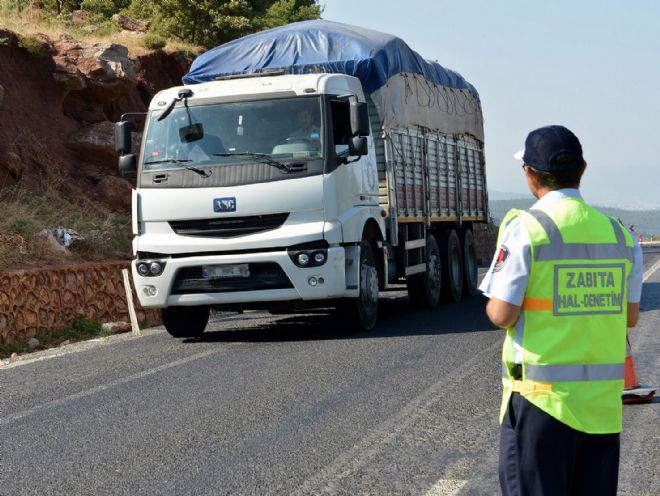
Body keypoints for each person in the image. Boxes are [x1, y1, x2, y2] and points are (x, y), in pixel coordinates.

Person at [479, 125, 644, 495]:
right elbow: (630, 317)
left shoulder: (528, 228)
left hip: (541, 403)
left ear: (529, 174)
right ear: (583, 169)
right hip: (601, 410)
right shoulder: (619, 234)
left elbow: (502, 313)